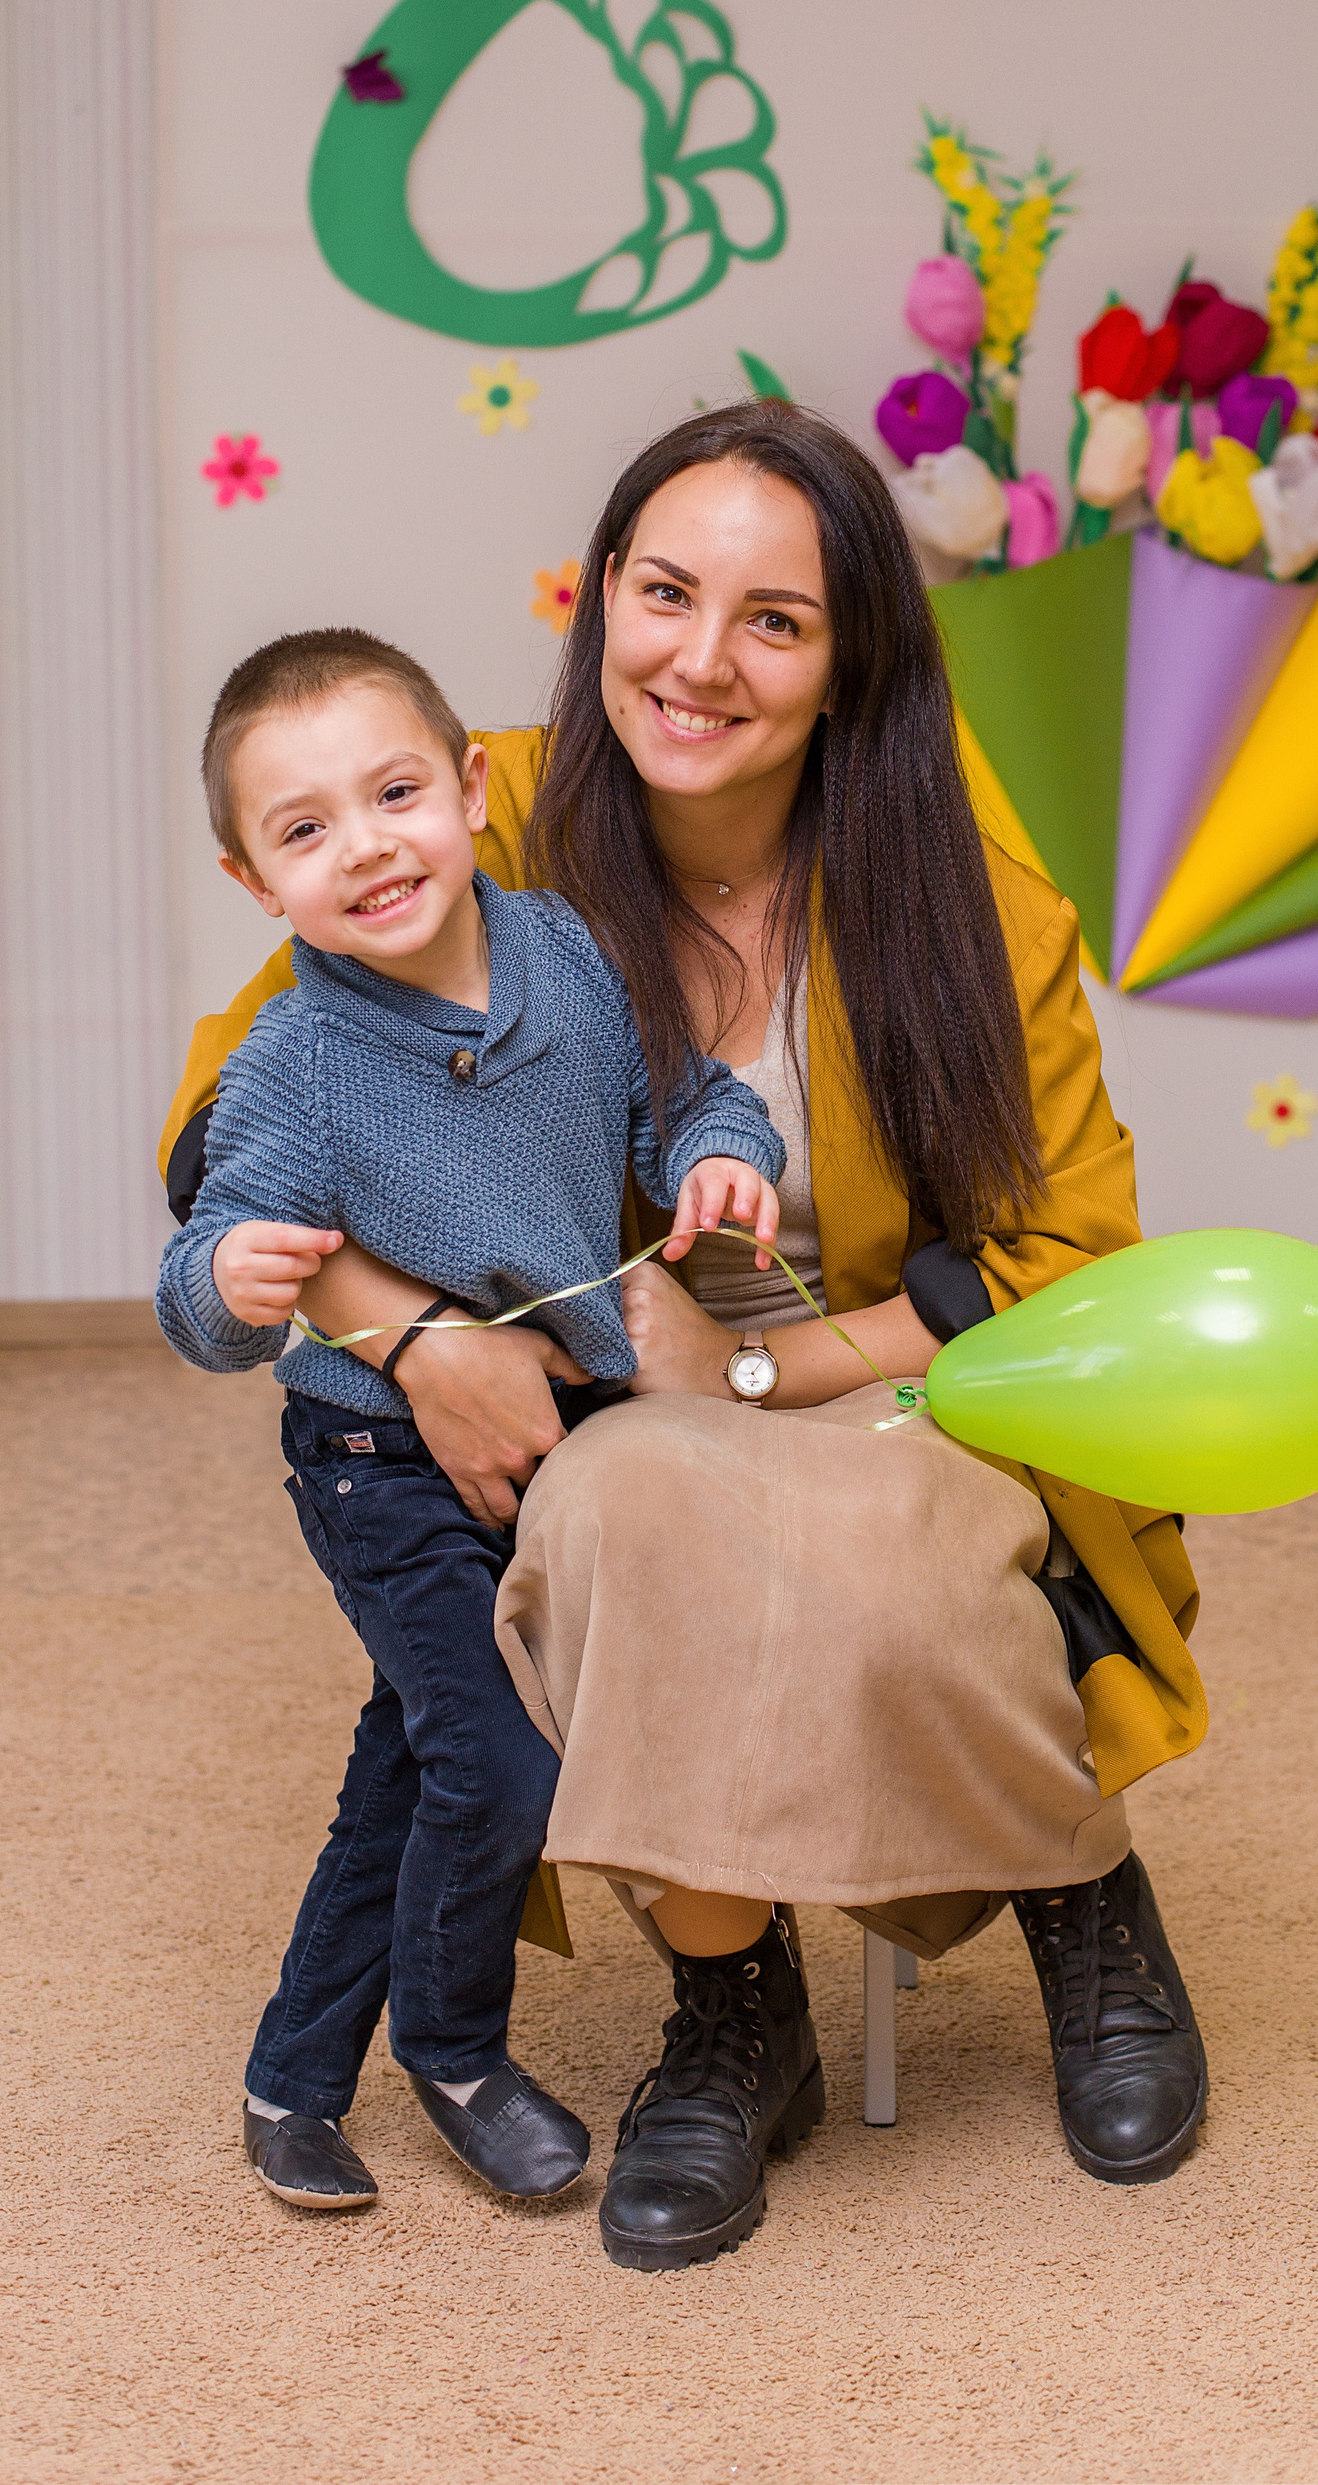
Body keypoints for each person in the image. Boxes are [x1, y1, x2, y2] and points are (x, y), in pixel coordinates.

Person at [159, 402, 1211, 2273]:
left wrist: (767, 1368)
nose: (699, 660)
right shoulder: (463, 809)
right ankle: (735, 2004)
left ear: (850, 659)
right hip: (612, 1410)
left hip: (893, 1374)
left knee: (902, 1552)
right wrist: (412, 1337)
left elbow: (1067, 1254)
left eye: (774, 620)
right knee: (621, 1510)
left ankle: (1083, 1889)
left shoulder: (975, 895)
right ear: (603, 601)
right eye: (664, 594)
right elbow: (224, 1129)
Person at [155, 626, 785, 2214]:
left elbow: (683, 1094)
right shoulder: (292, 1066)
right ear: (253, 882)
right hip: (375, 1462)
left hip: (549, 1441)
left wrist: (723, 1156)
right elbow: (196, 1295)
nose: (367, 846)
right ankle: (455, 2050)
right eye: (306, 829)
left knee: (410, 1762)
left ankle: (290, 2082)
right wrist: (227, 1278)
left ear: (472, 788)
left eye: (395, 794)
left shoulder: (567, 951)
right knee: (502, 1767)